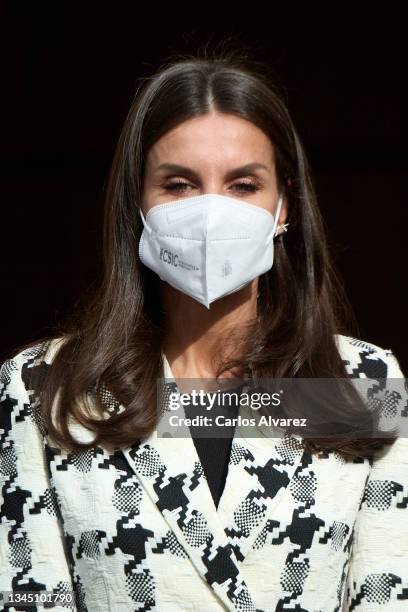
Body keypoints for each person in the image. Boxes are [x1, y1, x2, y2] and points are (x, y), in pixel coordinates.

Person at [1, 48, 407, 612]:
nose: (212, 212)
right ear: (137, 203)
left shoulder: (364, 380)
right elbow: (28, 594)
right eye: (179, 185)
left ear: (284, 204)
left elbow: (390, 593)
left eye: (243, 185)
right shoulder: (47, 387)